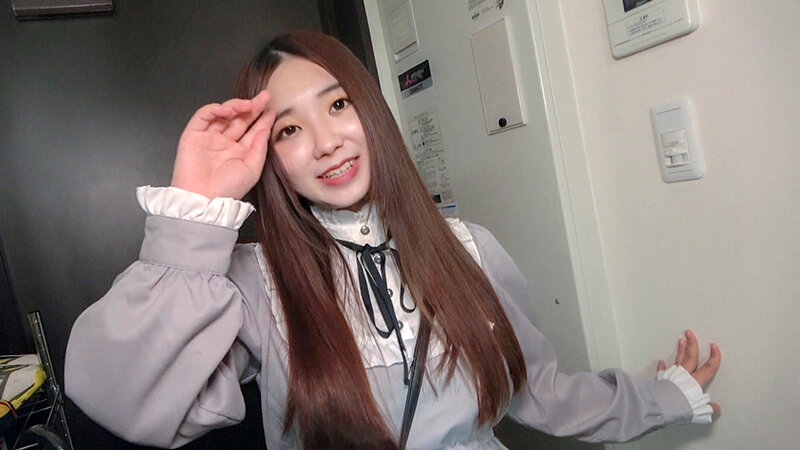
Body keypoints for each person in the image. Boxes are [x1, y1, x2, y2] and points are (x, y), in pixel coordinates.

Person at [64, 31, 721, 449]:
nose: (326, 142)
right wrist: (196, 212)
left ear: (370, 109)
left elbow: (539, 390)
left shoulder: (468, 247)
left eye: (338, 104)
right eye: (288, 130)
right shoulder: (252, 282)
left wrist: (661, 398)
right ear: (270, 160)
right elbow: (123, 398)